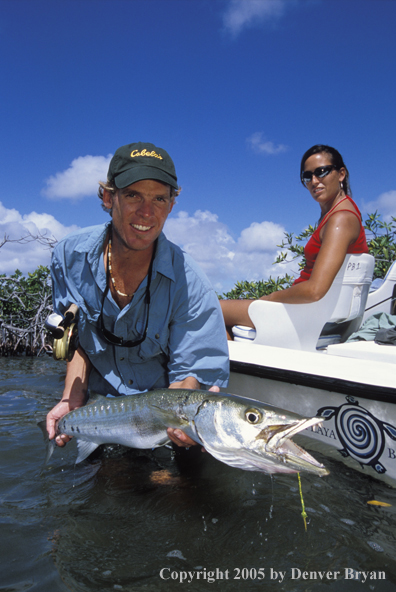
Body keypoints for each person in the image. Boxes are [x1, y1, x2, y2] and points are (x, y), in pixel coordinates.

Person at [46, 142, 229, 450]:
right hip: (99, 414)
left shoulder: (192, 283)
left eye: (159, 198)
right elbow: (74, 337)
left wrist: (186, 418)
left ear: (172, 204)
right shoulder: (68, 257)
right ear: (108, 197)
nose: (147, 212)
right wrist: (71, 397)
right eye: (133, 195)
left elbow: (189, 377)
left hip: (161, 429)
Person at [220, 144, 369, 338]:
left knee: (208, 309)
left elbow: (315, 290)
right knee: (218, 323)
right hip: (307, 311)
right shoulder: (339, 214)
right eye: (307, 176)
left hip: (306, 314)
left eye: (321, 172)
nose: (314, 181)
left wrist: (268, 298)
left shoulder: (341, 219)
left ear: (341, 174)